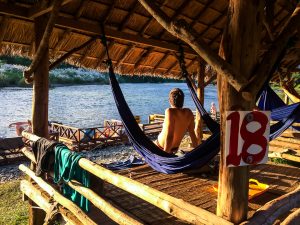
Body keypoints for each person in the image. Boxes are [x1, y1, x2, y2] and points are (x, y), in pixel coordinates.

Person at [155, 88, 198, 154]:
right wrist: (198, 151)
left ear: (170, 100)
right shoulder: (189, 112)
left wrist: (165, 155)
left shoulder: (170, 111)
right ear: (183, 101)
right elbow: (192, 134)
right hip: (174, 149)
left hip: (161, 148)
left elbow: (170, 136)